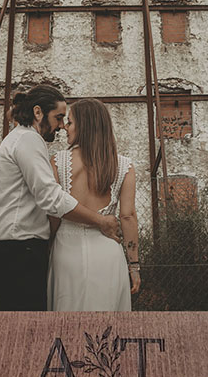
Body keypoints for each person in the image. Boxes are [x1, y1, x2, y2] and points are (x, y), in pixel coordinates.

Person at [0, 84, 120, 311]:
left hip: (8, 250)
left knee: (14, 333)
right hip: (18, 253)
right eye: (58, 117)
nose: (61, 126)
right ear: (38, 113)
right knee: (27, 334)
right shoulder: (28, 140)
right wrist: (100, 220)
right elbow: (51, 198)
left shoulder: (16, 139)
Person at [48, 98, 140, 311]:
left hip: (66, 252)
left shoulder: (58, 162)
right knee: (106, 328)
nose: (64, 128)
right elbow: (127, 216)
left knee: (65, 322)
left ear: (84, 125)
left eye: (70, 122)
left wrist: (48, 245)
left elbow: (53, 213)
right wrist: (133, 265)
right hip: (107, 252)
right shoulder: (124, 166)